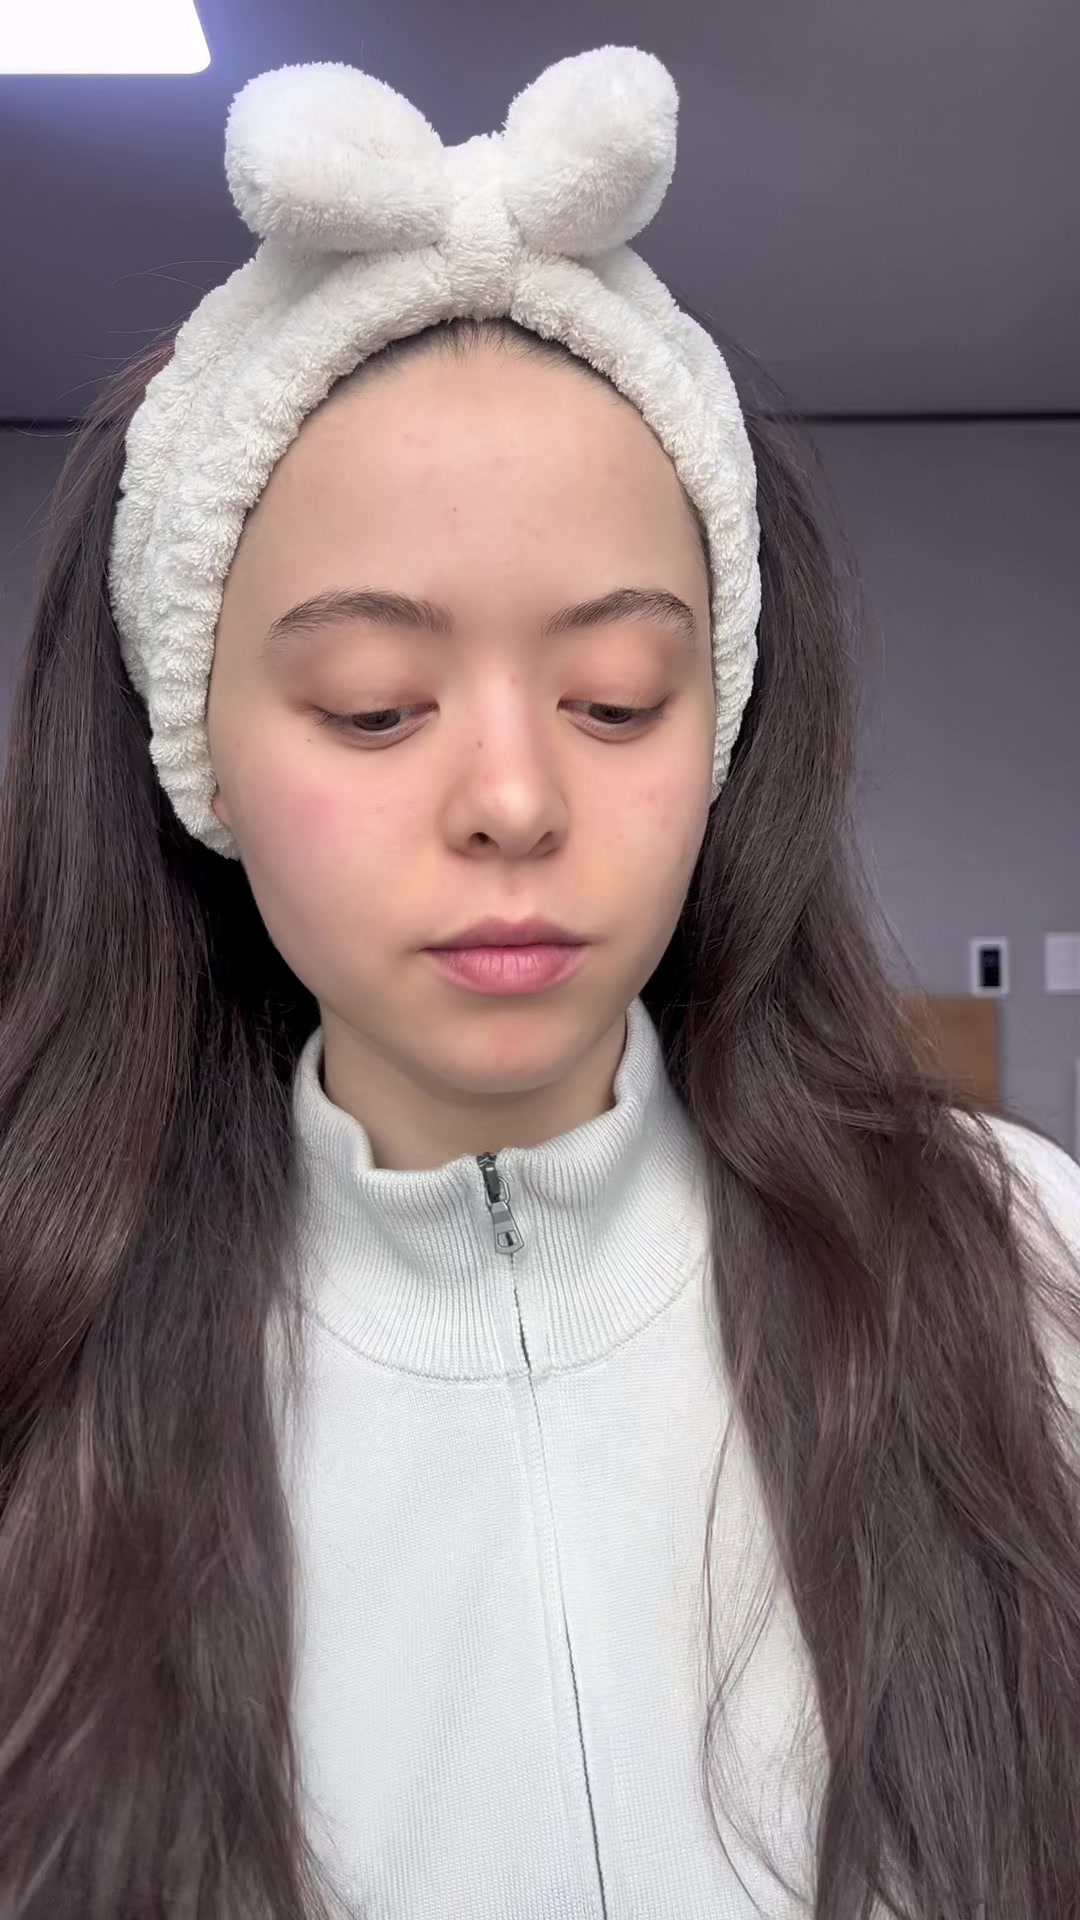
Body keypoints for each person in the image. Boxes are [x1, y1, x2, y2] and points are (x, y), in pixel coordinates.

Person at [0, 42, 1077, 1920]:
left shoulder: (1028, 1272)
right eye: (374, 706)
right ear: (198, 755)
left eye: (614, 700)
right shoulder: (38, 1348)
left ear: (721, 731)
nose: (513, 798)